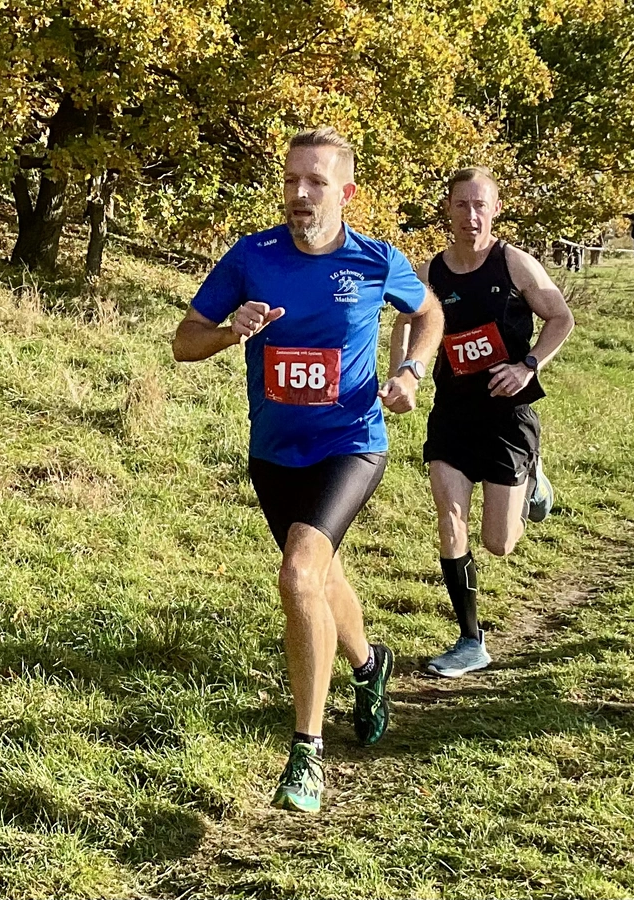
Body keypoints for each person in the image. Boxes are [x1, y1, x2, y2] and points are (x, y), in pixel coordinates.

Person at [172, 127, 444, 813]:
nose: (300, 193)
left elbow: (428, 312)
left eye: (316, 181)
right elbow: (184, 342)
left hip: (351, 443)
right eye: (292, 179)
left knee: (297, 573)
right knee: (319, 579)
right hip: (274, 452)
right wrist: (230, 330)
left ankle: (307, 752)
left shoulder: (375, 259)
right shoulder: (252, 256)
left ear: (345, 192)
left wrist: (412, 370)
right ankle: (370, 665)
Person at [394, 167, 574, 678]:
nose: (470, 216)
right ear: (448, 210)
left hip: (507, 417)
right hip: (452, 414)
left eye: (480, 206)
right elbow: (404, 324)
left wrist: (528, 365)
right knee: (450, 521)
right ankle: (470, 640)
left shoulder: (514, 263)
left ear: (495, 210)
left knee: (499, 542)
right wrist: (402, 374)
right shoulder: (431, 272)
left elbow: (561, 318)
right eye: (461, 205)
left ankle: (532, 476)